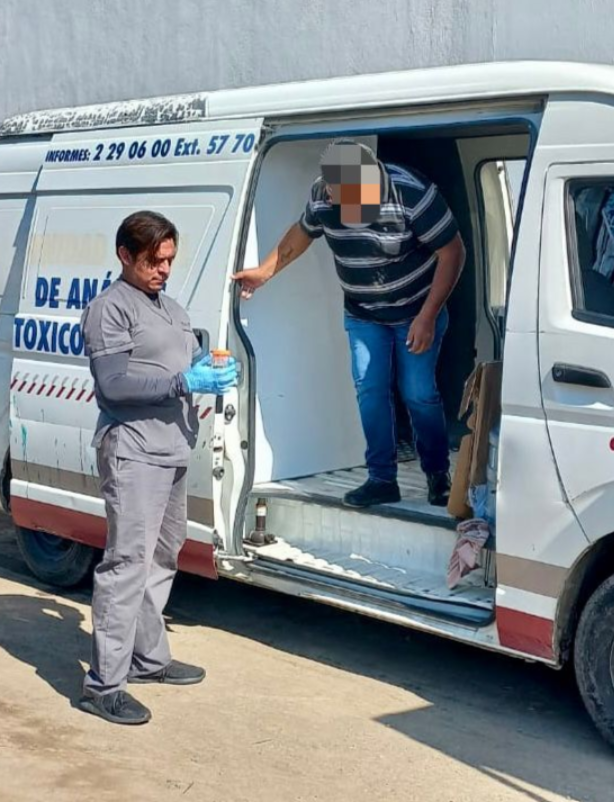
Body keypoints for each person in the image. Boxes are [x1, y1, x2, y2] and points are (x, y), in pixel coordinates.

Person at [233, 139, 465, 508]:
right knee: (370, 390)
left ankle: (438, 475)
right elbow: (301, 234)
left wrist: (429, 315)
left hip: (417, 310)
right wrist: (264, 272)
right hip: (363, 312)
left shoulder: (412, 193)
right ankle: (381, 479)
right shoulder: (323, 197)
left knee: (418, 393)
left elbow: (452, 252)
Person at [77, 210, 238, 725]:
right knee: (126, 564)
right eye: (154, 260)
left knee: (162, 557)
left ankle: (148, 658)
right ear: (125, 255)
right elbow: (114, 385)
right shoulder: (110, 310)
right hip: (134, 451)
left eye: (169, 259)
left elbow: (184, 354)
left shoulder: (169, 307)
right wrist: (181, 384)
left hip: (172, 450)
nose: (163, 269)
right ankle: (103, 686)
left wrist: (210, 368)